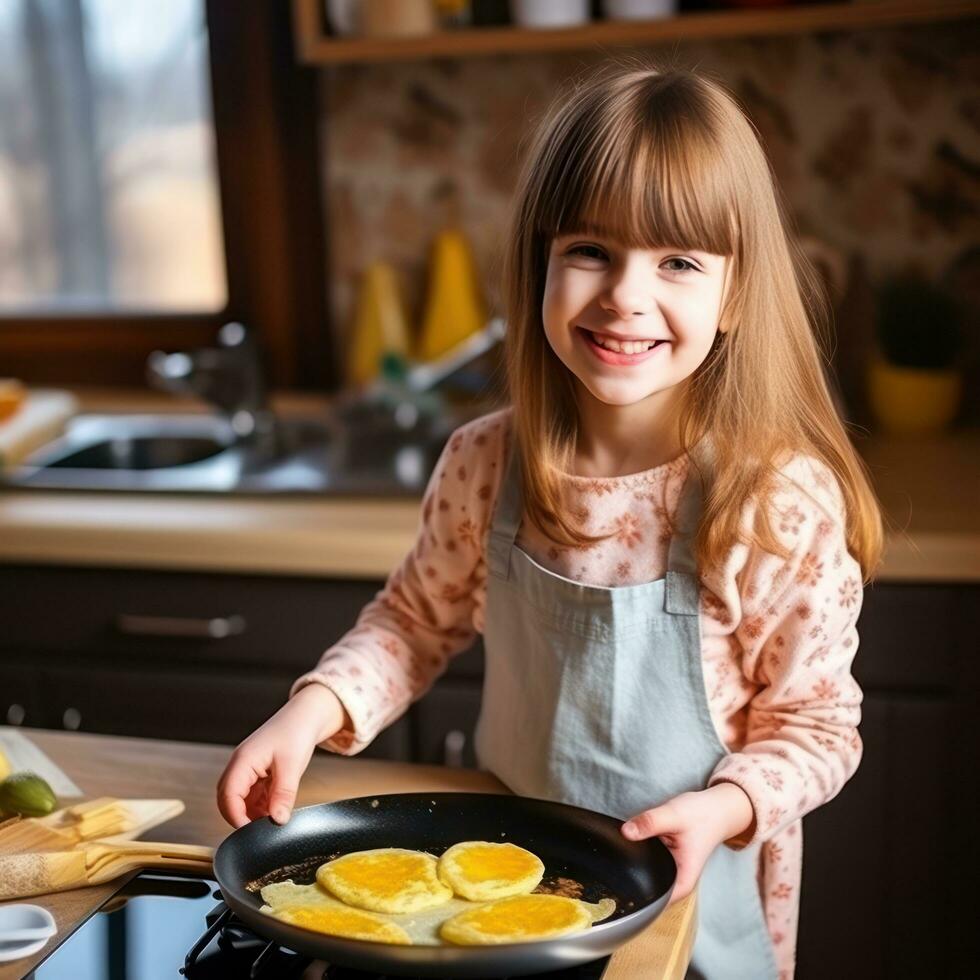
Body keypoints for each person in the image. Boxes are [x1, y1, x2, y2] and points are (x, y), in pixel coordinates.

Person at [217, 63, 883, 980]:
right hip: (500, 901)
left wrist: (724, 809)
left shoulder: (775, 502)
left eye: (679, 262)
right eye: (591, 251)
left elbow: (816, 730)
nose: (625, 296)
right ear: (541, 261)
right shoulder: (486, 464)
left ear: (732, 298)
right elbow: (414, 622)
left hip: (692, 900)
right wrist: (311, 711)